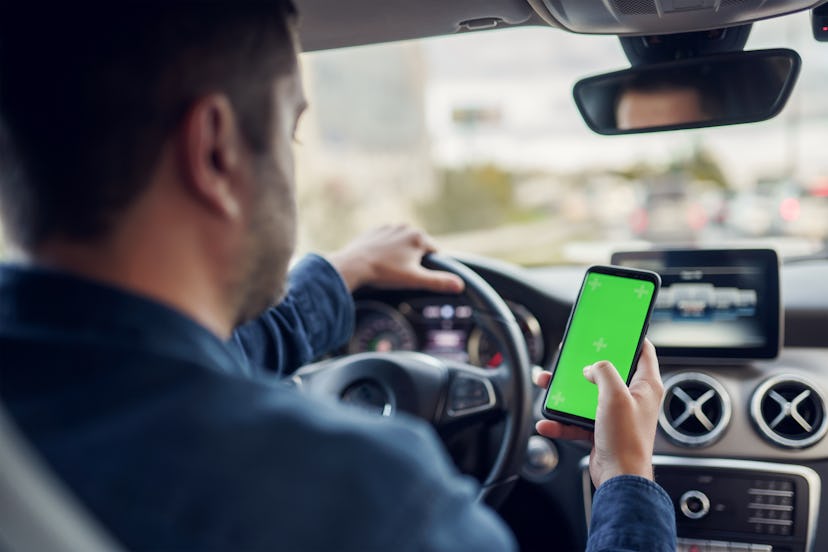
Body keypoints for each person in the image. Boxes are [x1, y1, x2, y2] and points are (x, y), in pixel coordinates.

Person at [0, 2, 676, 551]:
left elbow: (166, 355)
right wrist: (625, 480)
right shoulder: (371, 498)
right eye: (291, 134)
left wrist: (340, 274)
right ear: (215, 150)